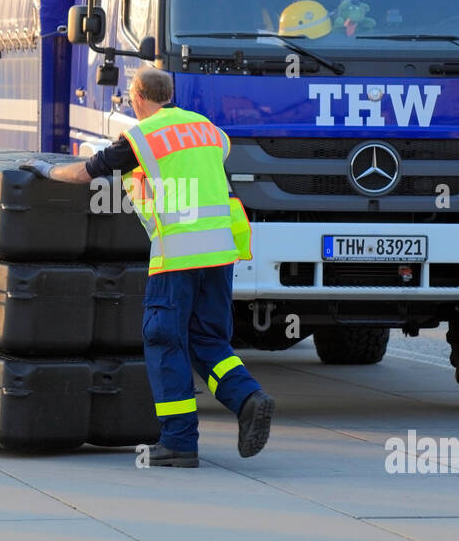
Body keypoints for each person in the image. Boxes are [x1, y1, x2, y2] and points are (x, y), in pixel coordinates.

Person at [21, 67, 274, 467]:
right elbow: (209, 159)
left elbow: (87, 172)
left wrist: (45, 170)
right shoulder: (207, 128)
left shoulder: (143, 136)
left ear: (137, 96)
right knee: (208, 341)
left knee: (164, 340)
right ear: (169, 94)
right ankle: (248, 397)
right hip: (221, 251)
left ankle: (179, 442)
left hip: (177, 254)